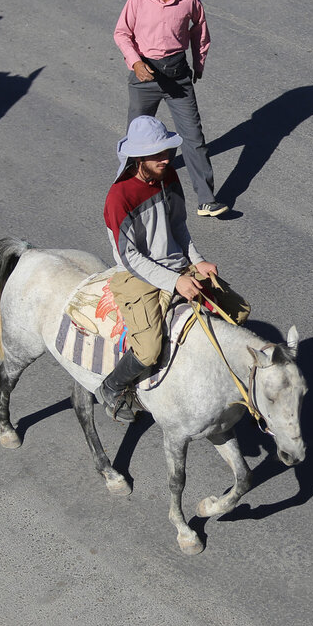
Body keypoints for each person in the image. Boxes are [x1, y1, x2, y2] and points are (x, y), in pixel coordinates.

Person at [99, 116, 220, 422]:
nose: (166, 159)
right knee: (150, 349)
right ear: (138, 158)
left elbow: (178, 225)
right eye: (157, 155)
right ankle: (112, 387)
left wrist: (196, 260)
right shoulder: (119, 197)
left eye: (167, 151)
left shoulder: (168, 177)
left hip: (177, 265)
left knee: (232, 310)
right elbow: (130, 258)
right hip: (137, 276)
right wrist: (175, 281)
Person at [114, 0, 228, 218]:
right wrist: (135, 63)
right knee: (136, 138)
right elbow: (121, 33)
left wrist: (198, 64)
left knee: (194, 138)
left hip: (178, 77)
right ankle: (125, 193)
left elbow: (200, 30)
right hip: (145, 77)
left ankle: (206, 200)